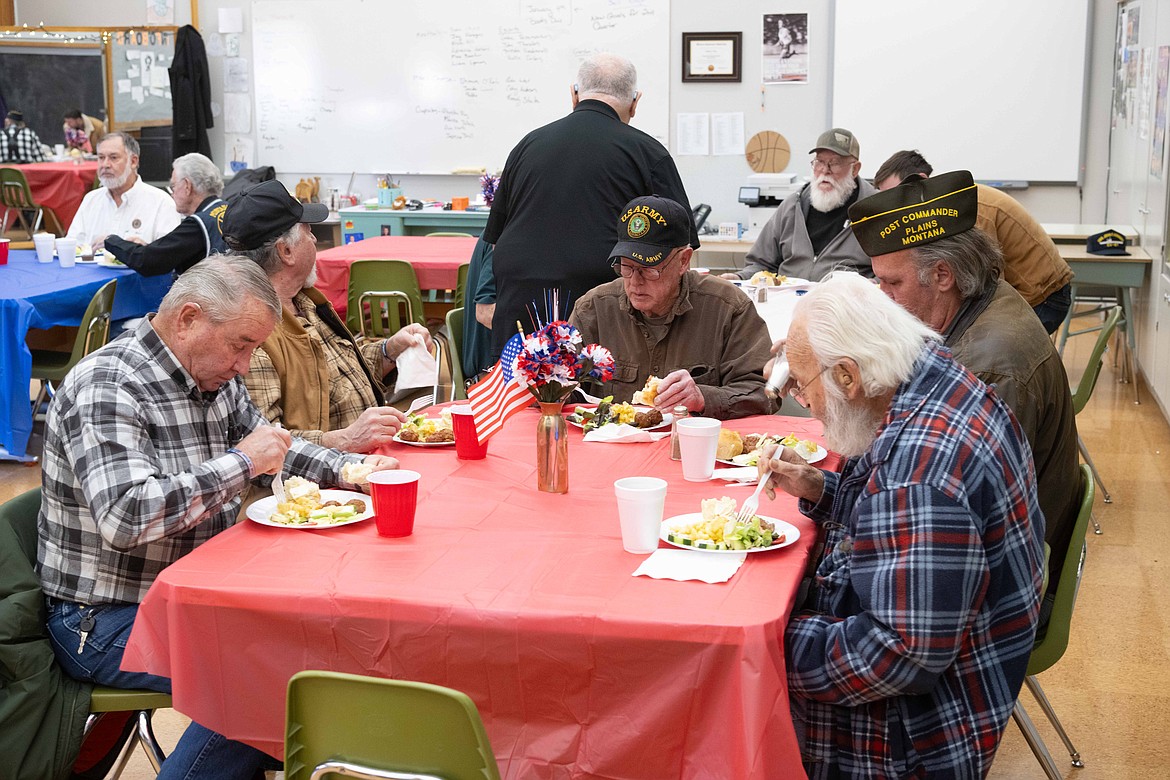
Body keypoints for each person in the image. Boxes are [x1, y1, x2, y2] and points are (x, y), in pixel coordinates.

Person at [38, 254, 397, 779]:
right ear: (188, 319)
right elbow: (125, 516)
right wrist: (242, 462)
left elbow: (276, 446)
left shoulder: (211, 374)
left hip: (193, 592)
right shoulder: (109, 386)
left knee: (323, 641)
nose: (245, 365)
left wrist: (355, 469)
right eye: (241, 345)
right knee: (278, 682)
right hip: (103, 616)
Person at [759, 271, 1045, 778]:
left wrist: (764, 643)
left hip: (914, 738)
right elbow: (893, 520)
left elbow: (896, 657)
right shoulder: (931, 381)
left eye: (804, 388)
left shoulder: (919, 479)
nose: (807, 405)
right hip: (944, 666)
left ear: (847, 376)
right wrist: (820, 487)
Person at [848, 170, 1079, 616]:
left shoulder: (988, 370)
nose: (883, 296)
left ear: (943, 275)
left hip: (1000, 594)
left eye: (893, 284)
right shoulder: (988, 298)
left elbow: (943, 510)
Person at [484, 52, 698, 357]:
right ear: (635, 102)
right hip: (603, 313)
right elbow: (680, 247)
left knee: (524, 401)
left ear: (574, 95)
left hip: (520, 308)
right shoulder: (648, 153)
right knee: (598, 402)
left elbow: (494, 239)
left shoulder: (526, 146)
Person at [223, 180, 430, 453]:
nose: (314, 240)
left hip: (369, 458)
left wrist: (388, 350)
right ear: (285, 252)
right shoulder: (254, 331)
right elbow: (261, 443)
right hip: (326, 482)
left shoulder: (306, 300)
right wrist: (345, 440)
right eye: (309, 231)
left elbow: (337, 376)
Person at [570, 195, 773, 419]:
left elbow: (765, 393)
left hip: (692, 447)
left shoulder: (728, 308)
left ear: (684, 260)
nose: (635, 281)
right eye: (626, 267)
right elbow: (564, 390)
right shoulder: (594, 310)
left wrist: (703, 397)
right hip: (612, 448)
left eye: (649, 269)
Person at [873, 149, 1074, 333]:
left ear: (921, 181)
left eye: (896, 196)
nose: (892, 208)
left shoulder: (969, 211)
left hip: (1045, 299)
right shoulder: (949, 204)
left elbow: (987, 286)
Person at [724, 127, 876, 283]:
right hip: (787, 301)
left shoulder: (876, 211)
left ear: (855, 169)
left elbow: (893, 275)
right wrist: (739, 277)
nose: (825, 171)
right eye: (819, 162)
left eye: (835, 163)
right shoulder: (792, 206)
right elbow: (760, 264)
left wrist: (872, 286)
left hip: (847, 303)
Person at [104, 152, 228, 277]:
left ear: (187, 186)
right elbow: (175, 253)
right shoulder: (227, 209)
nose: (172, 194)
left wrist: (111, 241)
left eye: (173, 186)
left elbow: (147, 262)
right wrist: (149, 248)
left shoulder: (197, 225)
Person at [66, 132, 180, 250]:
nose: (105, 165)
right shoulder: (91, 199)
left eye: (113, 158)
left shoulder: (161, 202)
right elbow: (73, 247)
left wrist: (145, 251)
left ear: (133, 161)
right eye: (101, 157)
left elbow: (170, 255)